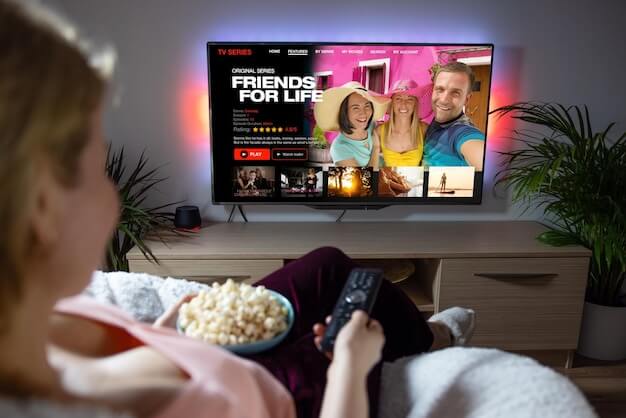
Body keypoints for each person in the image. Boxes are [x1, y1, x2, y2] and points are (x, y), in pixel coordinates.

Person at [0, 3, 475, 418]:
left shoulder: (46, 323)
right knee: (342, 328)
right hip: (275, 392)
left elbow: (122, 369)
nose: (115, 194)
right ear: (42, 208)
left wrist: (169, 334)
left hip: (202, 355)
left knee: (327, 264)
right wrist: (351, 363)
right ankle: (435, 339)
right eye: (95, 168)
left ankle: (429, 333)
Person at [423, 62, 485, 171]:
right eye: (440, 89)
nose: (444, 100)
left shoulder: (462, 131)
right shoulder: (436, 120)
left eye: (455, 93)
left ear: (467, 99)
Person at [314, 81, 389, 168]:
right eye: (356, 108)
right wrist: (376, 148)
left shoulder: (372, 126)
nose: (363, 113)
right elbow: (366, 177)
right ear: (344, 112)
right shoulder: (339, 148)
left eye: (367, 106)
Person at [376, 79, 429, 167]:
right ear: (392, 103)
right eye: (398, 99)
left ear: (415, 104)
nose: (403, 104)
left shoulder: (424, 129)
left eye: (410, 99)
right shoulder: (379, 131)